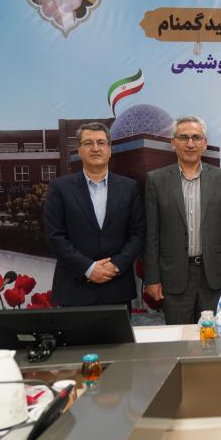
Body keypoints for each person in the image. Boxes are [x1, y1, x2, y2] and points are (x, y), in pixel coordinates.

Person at [143, 116, 221, 325]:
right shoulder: (156, 180)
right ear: (173, 142)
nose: (190, 143)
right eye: (183, 137)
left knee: (214, 335)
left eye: (196, 137)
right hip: (174, 276)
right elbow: (151, 234)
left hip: (213, 275)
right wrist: (152, 278)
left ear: (204, 143)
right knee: (179, 336)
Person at [43, 122, 144, 308]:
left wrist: (115, 265)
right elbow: (55, 236)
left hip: (117, 288)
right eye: (88, 143)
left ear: (109, 149)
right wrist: (88, 268)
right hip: (74, 290)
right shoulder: (59, 188)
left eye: (101, 143)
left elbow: (138, 234)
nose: (95, 148)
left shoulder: (129, 187)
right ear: (79, 150)